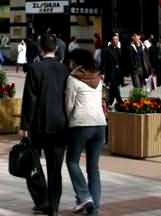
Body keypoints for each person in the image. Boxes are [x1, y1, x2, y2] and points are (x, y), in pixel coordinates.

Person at [19, 34, 69, 216]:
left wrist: (24, 125)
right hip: (60, 125)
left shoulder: (35, 68)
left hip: (38, 125)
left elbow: (29, 99)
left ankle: (42, 200)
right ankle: (54, 207)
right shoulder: (64, 69)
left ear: (40, 49)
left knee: (32, 164)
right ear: (55, 49)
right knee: (55, 168)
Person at [65, 49, 107, 216]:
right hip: (100, 124)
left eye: (71, 61)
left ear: (75, 62)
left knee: (72, 161)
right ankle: (94, 208)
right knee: (93, 167)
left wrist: (69, 121)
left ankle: (84, 197)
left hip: (81, 125)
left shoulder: (73, 79)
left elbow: (69, 105)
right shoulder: (98, 77)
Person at [100, 33, 123, 107]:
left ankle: (109, 103)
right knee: (115, 87)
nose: (115, 41)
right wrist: (103, 73)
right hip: (110, 72)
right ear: (111, 41)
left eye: (117, 39)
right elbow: (103, 62)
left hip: (118, 73)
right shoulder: (106, 50)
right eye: (114, 40)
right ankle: (120, 102)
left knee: (113, 89)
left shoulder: (119, 50)